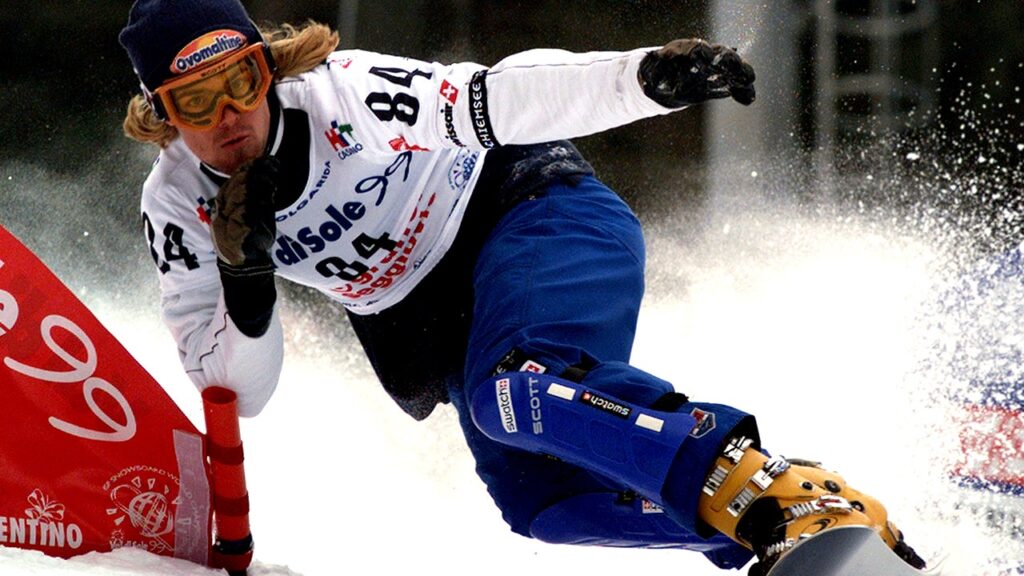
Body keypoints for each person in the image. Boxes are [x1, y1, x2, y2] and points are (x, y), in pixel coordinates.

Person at [118, 1, 925, 573]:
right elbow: (241, 393)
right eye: (196, 100)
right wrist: (246, 283)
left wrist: (641, 78)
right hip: (441, 323)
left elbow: (500, 96)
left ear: (267, 69)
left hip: (531, 212)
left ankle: (779, 496)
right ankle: (769, 530)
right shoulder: (178, 206)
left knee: (516, 392)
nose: (229, 115)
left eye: (242, 80)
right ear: (162, 115)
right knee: (542, 506)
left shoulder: (344, 94)